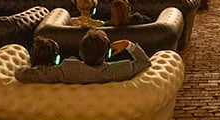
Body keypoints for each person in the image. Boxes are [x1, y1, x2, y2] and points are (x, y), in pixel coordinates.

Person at [15, 31, 151, 84]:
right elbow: (144, 62)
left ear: (81, 53)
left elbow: (21, 74)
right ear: (106, 55)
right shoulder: (119, 70)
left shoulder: (66, 70)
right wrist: (128, 44)